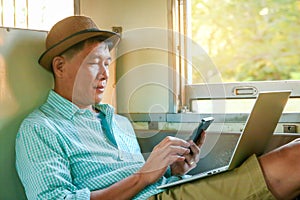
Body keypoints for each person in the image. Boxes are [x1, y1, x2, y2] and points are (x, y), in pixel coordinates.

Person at [15, 15, 300, 200]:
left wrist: (172, 170)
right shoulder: (40, 128)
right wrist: (146, 175)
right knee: (295, 158)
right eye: (93, 63)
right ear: (60, 66)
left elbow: (142, 178)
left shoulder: (118, 122)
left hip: (168, 189)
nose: (104, 74)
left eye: (107, 63)